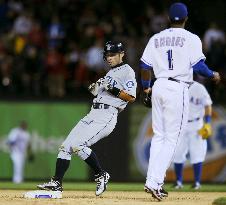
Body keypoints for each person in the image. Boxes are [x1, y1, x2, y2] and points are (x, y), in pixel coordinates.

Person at [140, 2, 221, 201]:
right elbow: (199, 67)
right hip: (177, 88)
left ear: (169, 18)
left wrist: (146, 87)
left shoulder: (156, 38)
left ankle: (151, 181)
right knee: (172, 139)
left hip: (158, 85)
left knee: (159, 136)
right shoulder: (191, 38)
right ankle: (156, 183)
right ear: (186, 18)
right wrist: (213, 75)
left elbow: (144, 65)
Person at [37, 41, 137, 196]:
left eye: (113, 54)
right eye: (107, 55)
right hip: (93, 113)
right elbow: (96, 91)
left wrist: (112, 88)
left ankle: (101, 174)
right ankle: (56, 182)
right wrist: (97, 86)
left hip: (107, 115)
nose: (109, 58)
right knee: (66, 146)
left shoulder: (127, 71)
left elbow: (131, 97)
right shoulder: (110, 73)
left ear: (121, 54)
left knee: (78, 145)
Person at [173, 80, 212, 190]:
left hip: (196, 125)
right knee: (177, 153)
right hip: (180, 125)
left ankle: (197, 182)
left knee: (197, 153)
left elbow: (208, 105)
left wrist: (208, 123)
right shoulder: (176, 86)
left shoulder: (199, 88)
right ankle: (178, 182)